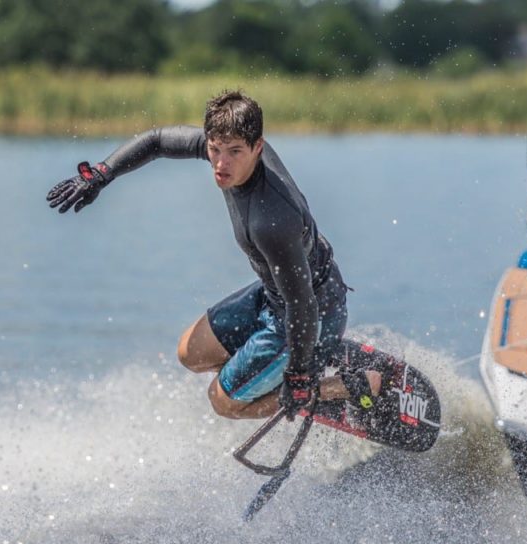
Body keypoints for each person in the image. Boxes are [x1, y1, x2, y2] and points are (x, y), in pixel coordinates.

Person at [45, 90, 379, 420]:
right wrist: (101, 174)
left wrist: (301, 377)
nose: (221, 163)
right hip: (277, 293)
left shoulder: (272, 221)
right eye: (215, 149)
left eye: (234, 152)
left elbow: (302, 304)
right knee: (190, 353)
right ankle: (286, 366)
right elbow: (158, 140)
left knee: (224, 403)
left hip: (312, 313)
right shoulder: (231, 148)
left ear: (257, 147)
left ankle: (345, 384)